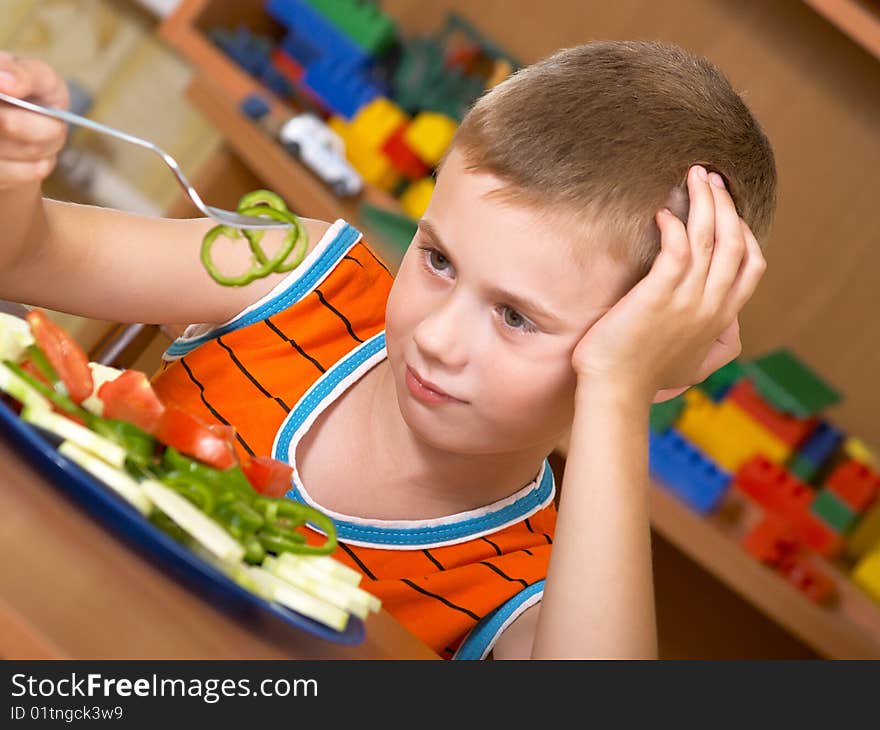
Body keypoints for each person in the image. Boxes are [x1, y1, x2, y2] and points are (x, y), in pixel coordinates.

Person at [0, 40, 774, 659]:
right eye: (437, 261)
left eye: (515, 317)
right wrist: (9, 174)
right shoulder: (296, 277)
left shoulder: (528, 581)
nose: (437, 338)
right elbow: (23, 255)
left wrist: (619, 391)